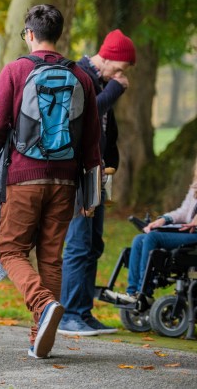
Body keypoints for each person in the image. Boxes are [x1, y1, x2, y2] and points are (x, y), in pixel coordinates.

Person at [0, 4, 101, 359]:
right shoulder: (81, 77)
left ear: (30, 34)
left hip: (24, 177)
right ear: (59, 34)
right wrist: (92, 192)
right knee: (51, 257)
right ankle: (41, 337)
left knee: (10, 250)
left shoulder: (16, 70)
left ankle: (42, 302)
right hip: (66, 180)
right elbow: (92, 140)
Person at [58, 30, 136, 336]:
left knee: (93, 245)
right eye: (121, 68)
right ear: (109, 57)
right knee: (78, 244)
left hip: (98, 173)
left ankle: (83, 312)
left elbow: (106, 127)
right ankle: (68, 315)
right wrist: (115, 89)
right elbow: (86, 115)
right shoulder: (81, 76)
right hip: (78, 173)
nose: (122, 75)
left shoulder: (102, 82)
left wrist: (111, 159)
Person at [105, 167, 197, 303]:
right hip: (187, 230)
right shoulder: (195, 187)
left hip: (194, 235)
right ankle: (132, 292)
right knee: (139, 240)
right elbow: (183, 212)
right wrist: (164, 219)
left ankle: (144, 292)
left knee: (152, 238)